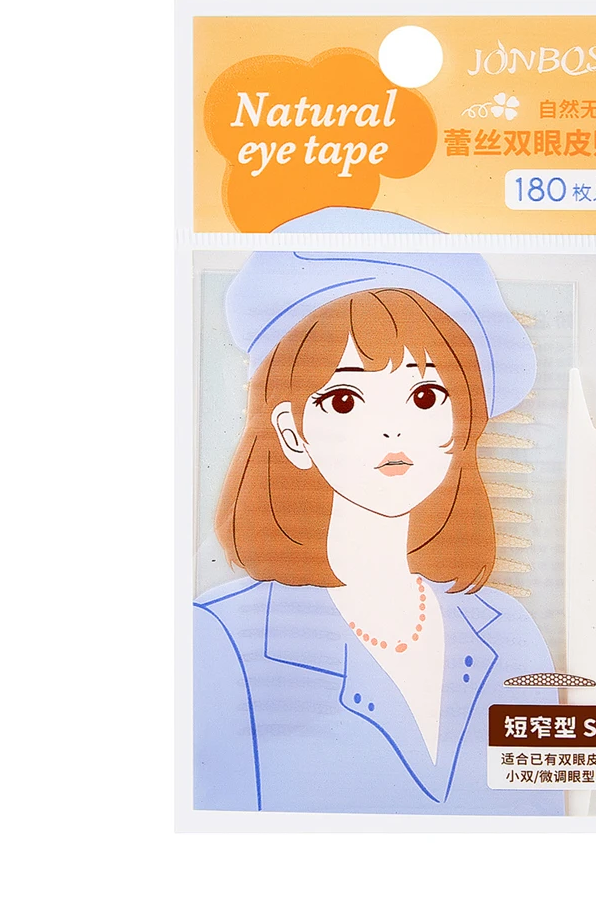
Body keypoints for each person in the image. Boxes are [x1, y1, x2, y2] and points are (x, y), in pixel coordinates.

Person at [194, 210, 563, 815]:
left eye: (425, 395)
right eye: (345, 400)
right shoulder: (221, 639)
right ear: (291, 432)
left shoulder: (508, 633)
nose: (394, 429)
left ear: (462, 422)